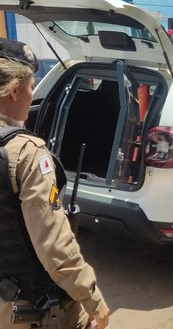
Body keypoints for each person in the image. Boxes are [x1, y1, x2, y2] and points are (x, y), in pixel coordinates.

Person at [0, 39, 110, 329]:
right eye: (30, 87)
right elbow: (55, 247)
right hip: (28, 306)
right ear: (13, 91)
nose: (33, 94)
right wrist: (92, 299)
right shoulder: (25, 152)